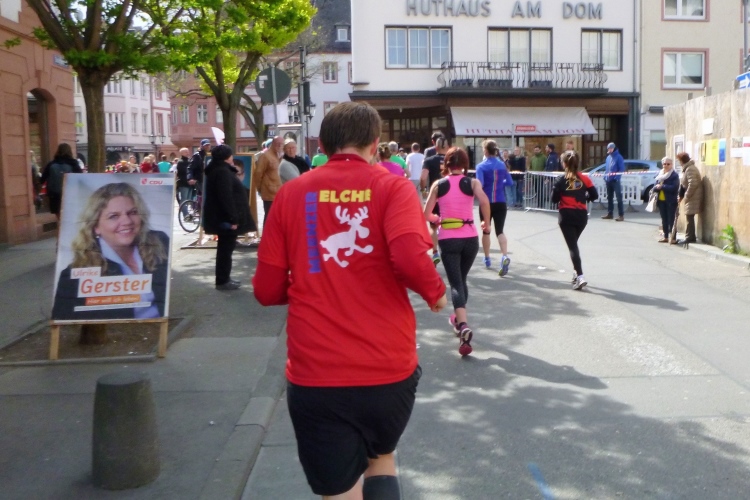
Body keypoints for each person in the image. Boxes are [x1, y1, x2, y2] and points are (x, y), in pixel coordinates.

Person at [252, 101, 447, 499]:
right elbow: (410, 258)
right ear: (375, 145)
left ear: (323, 146)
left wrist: (311, 282)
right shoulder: (393, 187)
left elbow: (266, 291)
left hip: (317, 373)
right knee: (381, 457)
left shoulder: (292, 194)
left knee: (340, 490)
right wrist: (436, 293)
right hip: (388, 369)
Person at [51, 182, 170, 319]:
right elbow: (65, 322)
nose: (127, 221)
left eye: (132, 212)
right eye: (114, 216)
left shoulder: (159, 242)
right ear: (95, 226)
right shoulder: (75, 274)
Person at [423, 146, 490, 356]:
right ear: (465, 164)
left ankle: (463, 326)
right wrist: (486, 224)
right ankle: (458, 319)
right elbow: (484, 201)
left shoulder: (439, 185)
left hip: (449, 239)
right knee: (461, 280)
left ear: (447, 164)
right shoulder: (472, 183)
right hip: (470, 239)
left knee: (455, 283)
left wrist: (437, 219)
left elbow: (425, 214)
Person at [203, 145, 256, 290]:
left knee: (225, 249)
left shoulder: (218, 170)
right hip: (225, 218)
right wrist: (232, 218)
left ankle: (224, 278)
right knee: (226, 250)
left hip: (221, 217)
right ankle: (223, 280)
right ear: (227, 157)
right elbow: (225, 197)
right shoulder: (222, 172)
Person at [551, 150, 598, 291]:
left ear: (564, 164)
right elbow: (594, 195)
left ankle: (580, 276)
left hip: (566, 216)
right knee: (574, 245)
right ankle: (576, 272)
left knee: (572, 247)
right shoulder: (584, 178)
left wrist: (559, 193)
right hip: (581, 216)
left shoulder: (561, 180)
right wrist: (584, 198)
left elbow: (553, 199)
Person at [475, 140, 514, 274]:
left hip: (486, 202)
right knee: (500, 231)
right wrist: (499, 183)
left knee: (486, 230)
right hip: (500, 201)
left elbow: (480, 184)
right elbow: (509, 182)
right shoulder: (502, 165)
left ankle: (487, 258)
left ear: (485, 151)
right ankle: (504, 255)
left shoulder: (481, 166)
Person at [421, 136, 450, 264]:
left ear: (436, 147)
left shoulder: (429, 160)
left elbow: (423, 177)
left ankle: (435, 252)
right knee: (447, 223)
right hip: (449, 195)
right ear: (447, 147)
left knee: (433, 225)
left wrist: (423, 189)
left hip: (435, 195)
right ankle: (448, 251)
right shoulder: (451, 160)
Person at [40, 142, 83, 221]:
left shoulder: (51, 164)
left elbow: (42, 179)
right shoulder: (73, 163)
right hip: (69, 194)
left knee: (59, 217)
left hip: (54, 195)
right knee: (69, 216)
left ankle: (60, 227)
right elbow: (81, 177)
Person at [252, 135, 283, 225]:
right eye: (277, 143)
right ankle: (266, 233)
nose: (280, 146)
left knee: (278, 217)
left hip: (278, 192)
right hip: (269, 193)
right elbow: (258, 173)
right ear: (272, 144)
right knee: (269, 216)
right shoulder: (265, 156)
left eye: (281, 144)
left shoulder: (280, 156)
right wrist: (260, 189)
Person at [676, 152, 703, 245]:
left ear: (682, 160)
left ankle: (690, 237)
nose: (679, 162)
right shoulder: (688, 168)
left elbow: (693, 183)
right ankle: (690, 236)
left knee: (689, 216)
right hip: (692, 196)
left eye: (679, 160)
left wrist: (687, 195)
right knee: (689, 216)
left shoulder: (690, 169)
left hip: (693, 196)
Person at [652, 157, 680, 243]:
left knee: (671, 219)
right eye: (664, 164)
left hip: (671, 200)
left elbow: (674, 187)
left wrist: (662, 186)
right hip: (661, 200)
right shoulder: (659, 174)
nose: (666, 165)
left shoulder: (674, 175)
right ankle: (666, 237)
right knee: (664, 219)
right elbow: (654, 186)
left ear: (671, 165)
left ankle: (673, 238)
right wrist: (656, 188)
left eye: (668, 164)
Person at [601, 142, 625, 221]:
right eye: (608, 148)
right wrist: (605, 177)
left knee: (619, 198)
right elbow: (607, 169)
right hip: (608, 180)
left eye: (611, 148)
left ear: (614, 148)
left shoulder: (619, 157)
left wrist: (616, 178)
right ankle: (610, 213)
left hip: (615, 181)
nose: (609, 150)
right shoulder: (608, 158)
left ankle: (621, 215)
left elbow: (621, 169)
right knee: (609, 197)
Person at [175, 148, 192, 214]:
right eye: (186, 152)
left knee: (188, 200)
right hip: (183, 183)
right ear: (181, 153)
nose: (188, 153)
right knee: (184, 199)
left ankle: (185, 212)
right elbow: (184, 171)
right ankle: (185, 214)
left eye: (188, 151)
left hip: (190, 183)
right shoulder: (180, 162)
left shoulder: (189, 160)